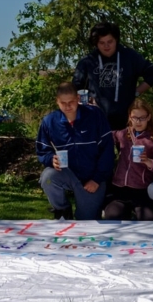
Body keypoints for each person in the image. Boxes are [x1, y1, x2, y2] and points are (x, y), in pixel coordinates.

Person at [37, 82, 115, 220]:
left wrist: (97, 179)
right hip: (67, 173)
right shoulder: (49, 121)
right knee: (47, 177)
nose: (67, 106)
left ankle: (91, 205)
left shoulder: (95, 115)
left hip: (92, 177)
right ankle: (62, 209)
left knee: (87, 224)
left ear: (78, 98)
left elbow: (107, 150)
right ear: (57, 101)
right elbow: (42, 149)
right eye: (63, 102)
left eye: (71, 101)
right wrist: (51, 159)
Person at [72, 22, 153, 130]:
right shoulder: (88, 61)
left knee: (129, 147)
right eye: (102, 43)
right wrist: (86, 100)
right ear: (96, 43)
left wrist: (136, 92)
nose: (106, 46)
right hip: (96, 119)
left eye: (110, 41)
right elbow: (75, 87)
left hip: (127, 118)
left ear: (116, 40)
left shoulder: (130, 56)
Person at [103, 99, 153, 221]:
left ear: (148, 117)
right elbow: (103, 136)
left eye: (142, 118)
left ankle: (136, 213)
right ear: (129, 117)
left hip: (142, 190)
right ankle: (125, 213)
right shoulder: (122, 134)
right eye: (135, 117)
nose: (138, 121)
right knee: (112, 218)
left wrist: (149, 161)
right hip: (120, 189)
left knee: (149, 221)